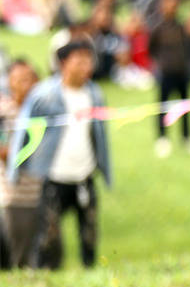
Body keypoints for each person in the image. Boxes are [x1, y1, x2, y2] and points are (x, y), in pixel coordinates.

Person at [9, 41, 111, 269]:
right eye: (79, 61)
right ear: (63, 63)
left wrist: (104, 168)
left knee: (90, 232)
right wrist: (15, 169)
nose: (86, 66)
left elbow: (101, 136)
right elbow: (23, 132)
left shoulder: (94, 94)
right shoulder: (44, 94)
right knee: (48, 235)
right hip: (54, 176)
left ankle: (90, 272)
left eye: (89, 60)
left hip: (85, 175)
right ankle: (44, 275)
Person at [0, 60, 43, 268]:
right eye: (18, 80)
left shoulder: (45, 112)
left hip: (43, 191)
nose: (24, 85)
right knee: (18, 254)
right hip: (15, 194)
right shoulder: (4, 113)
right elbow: (4, 152)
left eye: (29, 79)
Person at [149, 0, 190, 157]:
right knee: (163, 107)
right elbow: (152, 50)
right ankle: (162, 138)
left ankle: (187, 138)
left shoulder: (182, 27)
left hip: (183, 72)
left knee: (185, 107)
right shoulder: (157, 27)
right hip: (166, 73)